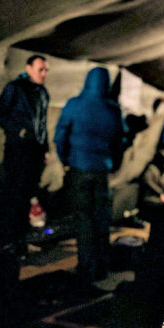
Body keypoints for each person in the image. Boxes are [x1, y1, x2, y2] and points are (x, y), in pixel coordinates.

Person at [54, 67, 123, 284]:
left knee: (83, 219)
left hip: (79, 168)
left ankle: (86, 267)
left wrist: (66, 160)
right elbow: (119, 140)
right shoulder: (112, 110)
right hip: (101, 171)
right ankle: (102, 266)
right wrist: (113, 164)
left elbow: (60, 135)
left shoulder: (74, 105)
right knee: (101, 218)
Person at [0, 55, 50, 243]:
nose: (44, 74)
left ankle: (20, 237)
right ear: (28, 68)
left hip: (35, 151)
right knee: (15, 193)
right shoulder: (15, 88)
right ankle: (9, 237)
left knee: (29, 195)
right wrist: (18, 130)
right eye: (40, 69)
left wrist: (45, 148)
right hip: (17, 150)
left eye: (45, 70)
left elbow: (42, 123)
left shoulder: (43, 93)